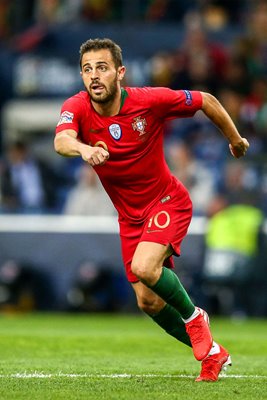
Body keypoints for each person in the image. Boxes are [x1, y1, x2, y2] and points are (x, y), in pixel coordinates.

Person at [54, 38, 249, 382]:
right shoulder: (78, 106)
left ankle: (195, 317)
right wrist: (84, 150)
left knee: (145, 267)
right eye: (87, 69)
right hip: (130, 218)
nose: (94, 76)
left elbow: (206, 100)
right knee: (148, 302)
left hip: (167, 201)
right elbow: (61, 140)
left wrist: (234, 139)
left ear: (120, 73)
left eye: (102, 67)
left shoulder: (148, 101)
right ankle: (212, 353)